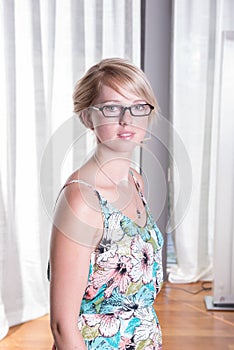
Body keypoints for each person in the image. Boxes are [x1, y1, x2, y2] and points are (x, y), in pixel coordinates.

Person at [49, 57, 164, 350]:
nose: (127, 120)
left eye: (138, 107)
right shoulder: (82, 200)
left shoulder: (135, 180)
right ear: (88, 117)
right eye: (112, 108)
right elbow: (63, 327)